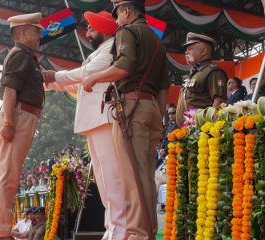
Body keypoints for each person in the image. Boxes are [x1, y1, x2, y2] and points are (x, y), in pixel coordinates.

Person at [82, 1, 170, 239]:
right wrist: (158, 119)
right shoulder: (157, 42)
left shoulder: (128, 31)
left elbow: (124, 66)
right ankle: (148, 231)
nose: (116, 21)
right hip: (152, 107)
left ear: (127, 11)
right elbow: (164, 86)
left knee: (131, 177)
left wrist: (94, 78)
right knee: (146, 176)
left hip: (132, 106)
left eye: (117, 14)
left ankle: (137, 234)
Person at [44, 10, 127, 239]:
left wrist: (54, 75)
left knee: (112, 179)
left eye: (91, 28)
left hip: (104, 119)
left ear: (103, 30)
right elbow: (78, 82)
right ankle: (112, 228)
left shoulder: (111, 48)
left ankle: (120, 229)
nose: (88, 33)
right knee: (103, 180)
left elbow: (87, 73)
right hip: (95, 122)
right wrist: (48, 82)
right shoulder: (101, 51)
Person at [0, 12, 44, 240]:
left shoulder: (26, 55)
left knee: (10, 176)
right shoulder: (20, 54)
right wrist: (10, 123)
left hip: (23, 115)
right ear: (23, 33)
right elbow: (10, 91)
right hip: (18, 115)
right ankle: (0, 232)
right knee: (7, 176)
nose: (40, 35)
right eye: (36, 31)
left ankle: (1, 230)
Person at [175, 32, 228, 126]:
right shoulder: (195, 73)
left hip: (202, 130)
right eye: (186, 49)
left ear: (203, 51)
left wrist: (209, 128)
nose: (186, 52)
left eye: (190, 49)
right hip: (189, 130)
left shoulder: (213, 71)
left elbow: (219, 102)